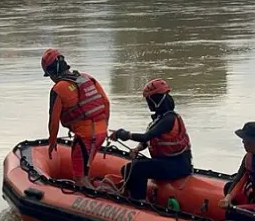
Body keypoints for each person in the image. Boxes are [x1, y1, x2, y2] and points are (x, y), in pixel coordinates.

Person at [109, 78, 193, 201]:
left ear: (155, 100)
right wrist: (137, 149)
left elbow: (146, 136)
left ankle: (139, 201)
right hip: (166, 162)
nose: (148, 104)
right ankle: (131, 195)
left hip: (178, 165)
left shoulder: (169, 119)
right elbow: (147, 141)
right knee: (127, 168)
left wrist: (124, 134)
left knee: (138, 168)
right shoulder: (159, 119)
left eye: (148, 100)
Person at [42, 48, 111, 188]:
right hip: (101, 132)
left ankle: (96, 205)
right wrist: (105, 126)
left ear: (51, 72)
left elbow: (53, 121)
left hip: (85, 137)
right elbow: (106, 102)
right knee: (85, 171)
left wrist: (52, 142)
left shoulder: (58, 89)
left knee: (79, 179)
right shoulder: (87, 78)